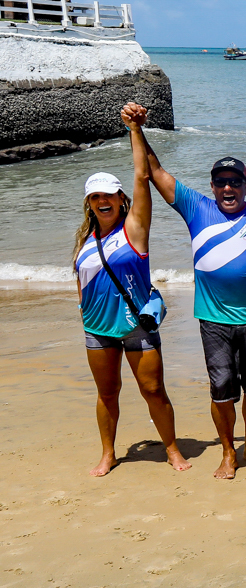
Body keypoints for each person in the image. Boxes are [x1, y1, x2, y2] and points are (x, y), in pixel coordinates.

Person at [139, 115, 246, 479]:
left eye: (235, 182)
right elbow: (155, 172)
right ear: (212, 186)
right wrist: (136, 130)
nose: (228, 188)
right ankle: (227, 452)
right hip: (214, 322)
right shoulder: (195, 207)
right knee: (221, 392)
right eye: (221, 182)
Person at [74, 104, 190, 477]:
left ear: (121, 199)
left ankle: (172, 449)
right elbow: (82, 282)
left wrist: (134, 129)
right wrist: (84, 311)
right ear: (89, 203)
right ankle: (108, 453)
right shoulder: (85, 241)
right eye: (95, 197)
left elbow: (142, 177)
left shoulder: (134, 229)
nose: (102, 201)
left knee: (153, 390)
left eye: (109, 195)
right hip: (97, 329)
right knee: (107, 394)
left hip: (137, 323)